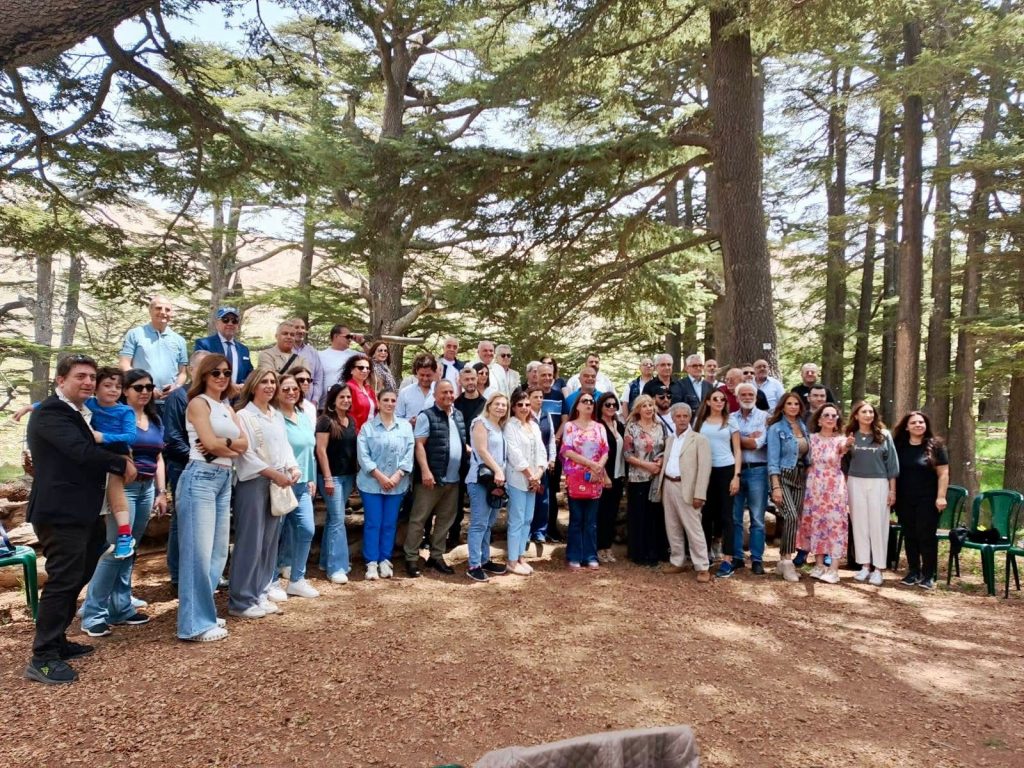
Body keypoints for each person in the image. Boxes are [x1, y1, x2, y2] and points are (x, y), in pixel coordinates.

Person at [22, 354, 138, 684]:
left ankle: (57, 641)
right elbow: (80, 452)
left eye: (91, 377)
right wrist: (120, 463)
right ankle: (43, 658)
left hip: (87, 512)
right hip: (61, 513)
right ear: (61, 380)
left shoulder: (80, 413)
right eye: (80, 376)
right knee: (63, 580)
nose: (88, 382)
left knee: (76, 578)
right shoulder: (51, 413)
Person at [15, 367, 140, 560]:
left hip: (116, 452)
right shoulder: (88, 404)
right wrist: (30, 407)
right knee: (95, 492)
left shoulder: (125, 411)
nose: (113, 390)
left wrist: (103, 437)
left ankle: (124, 534)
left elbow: (131, 436)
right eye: (107, 385)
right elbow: (55, 404)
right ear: (97, 389)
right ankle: (99, 540)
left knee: (115, 493)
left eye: (117, 387)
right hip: (95, 455)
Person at [80, 369, 167, 637]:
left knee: (129, 549)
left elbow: (158, 457)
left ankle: (120, 607)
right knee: (116, 548)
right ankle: (93, 613)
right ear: (125, 390)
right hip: (122, 486)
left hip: (147, 487)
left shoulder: (154, 418)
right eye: (138, 387)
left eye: (149, 387)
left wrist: (161, 491)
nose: (145, 392)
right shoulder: (112, 414)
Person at [176, 354, 246, 642]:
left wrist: (223, 444)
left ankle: (204, 612)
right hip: (200, 478)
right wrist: (226, 447)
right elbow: (207, 443)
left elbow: (244, 444)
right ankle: (193, 625)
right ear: (204, 375)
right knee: (198, 553)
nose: (221, 377)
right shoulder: (198, 403)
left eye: (226, 372)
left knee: (218, 553)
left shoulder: (227, 407)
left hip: (223, 478)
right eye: (215, 372)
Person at [231, 369, 300, 618]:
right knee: (251, 541)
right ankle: (241, 600)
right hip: (254, 482)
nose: (270, 386)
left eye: (273, 382)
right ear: (253, 386)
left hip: (277, 482)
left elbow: (285, 447)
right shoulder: (243, 415)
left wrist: (293, 467)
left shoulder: (276, 415)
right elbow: (245, 454)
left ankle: (259, 592)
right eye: (265, 382)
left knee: (269, 542)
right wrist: (273, 474)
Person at [403, 380, 468, 577]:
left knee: (445, 520)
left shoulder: (458, 415)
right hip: (431, 479)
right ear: (435, 395)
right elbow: (419, 444)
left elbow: (458, 441)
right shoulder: (426, 416)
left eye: (451, 392)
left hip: (453, 479)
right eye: (444, 392)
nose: (448, 395)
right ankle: (411, 558)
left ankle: (437, 556)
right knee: (419, 519)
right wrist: (425, 471)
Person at [357, 389, 414, 580]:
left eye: (393, 400)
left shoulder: (405, 427)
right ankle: (371, 561)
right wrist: (380, 476)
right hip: (371, 484)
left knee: (389, 523)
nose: (389, 403)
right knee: (373, 523)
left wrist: (398, 475)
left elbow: (409, 454)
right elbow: (363, 456)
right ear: (378, 402)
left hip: (397, 484)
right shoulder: (368, 428)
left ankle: (385, 559)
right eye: (386, 400)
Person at [163, 349, 207, 588]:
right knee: (182, 519)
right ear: (191, 370)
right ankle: (178, 576)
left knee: (203, 522)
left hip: (210, 468)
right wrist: (198, 457)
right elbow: (172, 437)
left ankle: (202, 572)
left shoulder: (214, 398)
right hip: (183, 466)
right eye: (203, 367)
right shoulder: (178, 397)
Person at [654, 403, 712, 583]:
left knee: (694, 528)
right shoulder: (670, 439)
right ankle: (677, 561)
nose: (681, 420)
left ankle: (702, 566)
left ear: (690, 418)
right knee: (672, 526)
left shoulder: (699, 439)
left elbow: (704, 468)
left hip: (687, 487)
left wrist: (699, 494)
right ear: (673, 418)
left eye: (685, 416)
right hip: (668, 484)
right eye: (678, 416)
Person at [274, 372, 319, 598]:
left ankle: (297, 579)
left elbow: (310, 450)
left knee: (307, 529)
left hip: (302, 484)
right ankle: (271, 580)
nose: (291, 392)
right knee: (275, 534)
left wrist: (311, 478)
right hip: (280, 484)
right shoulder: (273, 416)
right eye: (286, 389)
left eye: (295, 389)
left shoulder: (303, 415)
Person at [892, 411, 949, 590]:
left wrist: (941, 496)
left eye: (921, 422)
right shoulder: (899, 446)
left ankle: (928, 575)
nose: (918, 425)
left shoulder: (935, 446)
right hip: (905, 499)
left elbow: (943, 473)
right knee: (910, 535)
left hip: (928, 499)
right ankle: (913, 572)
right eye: (914, 422)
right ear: (906, 427)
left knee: (926, 536)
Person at [845, 401, 900, 586]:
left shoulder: (884, 435)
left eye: (871, 412)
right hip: (855, 482)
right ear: (856, 415)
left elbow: (892, 465)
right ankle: (864, 566)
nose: (868, 415)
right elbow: (844, 462)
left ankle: (878, 569)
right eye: (864, 412)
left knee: (878, 525)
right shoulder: (850, 435)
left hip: (879, 483)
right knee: (859, 525)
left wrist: (892, 490)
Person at [798, 402, 849, 585]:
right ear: (819, 420)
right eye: (826, 415)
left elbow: (844, 448)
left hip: (834, 487)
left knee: (835, 525)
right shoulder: (811, 439)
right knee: (816, 524)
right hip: (814, 487)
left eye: (834, 416)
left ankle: (834, 569)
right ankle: (819, 565)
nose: (830, 418)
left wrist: (849, 444)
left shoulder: (840, 440)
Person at [694, 389, 740, 577]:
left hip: (726, 469)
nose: (719, 402)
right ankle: (704, 556)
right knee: (706, 514)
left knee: (726, 516)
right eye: (715, 399)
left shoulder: (731, 421)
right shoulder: (700, 422)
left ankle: (728, 559)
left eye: (722, 399)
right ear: (708, 402)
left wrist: (736, 476)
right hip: (706, 471)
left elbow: (737, 450)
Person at [316, 383, 359, 584]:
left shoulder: (351, 420)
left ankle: (325, 561)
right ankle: (337, 567)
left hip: (347, 476)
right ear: (333, 400)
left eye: (348, 397)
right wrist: (327, 477)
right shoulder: (325, 421)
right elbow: (321, 450)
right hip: (331, 477)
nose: (346, 400)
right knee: (338, 520)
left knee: (333, 518)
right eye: (342, 397)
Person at [560, 392, 608, 570]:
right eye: (584, 401)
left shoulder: (599, 427)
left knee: (591, 520)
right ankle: (574, 555)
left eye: (591, 401)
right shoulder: (570, 426)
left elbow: (605, 451)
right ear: (577, 405)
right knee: (577, 518)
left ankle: (590, 555)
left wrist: (598, 467)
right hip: (576, 477)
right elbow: (567, 450)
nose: (588, 404)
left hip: (595, 477)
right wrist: (591, 464)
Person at [465, 393, 510, 582]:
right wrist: (498, 470)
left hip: (496, 482)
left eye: (504, 405)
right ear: (489, 405)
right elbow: (481, 450)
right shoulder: (480, 422)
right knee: (479, 523)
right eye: (497, 404)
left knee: (489, 523)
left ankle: (484, 559)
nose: (500, 407)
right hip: (480, 480)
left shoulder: (499, 427)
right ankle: (474, 565)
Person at [766, 393, 810, 583]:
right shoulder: (776, 428)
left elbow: (806, 455)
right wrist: (775, 486)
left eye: (796, 404)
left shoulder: (803, 426)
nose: (793, 406)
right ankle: (787, 561)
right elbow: (772, 459)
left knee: (794, 519)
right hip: (782, 475)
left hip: (800, 476)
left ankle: (783, 562)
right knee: (790, 515)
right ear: (782, 407)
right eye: (789, 403)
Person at [503, 388, 547, 575]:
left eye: (527, 404)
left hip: (533, 480)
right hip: (517, 480)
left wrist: (538, 474)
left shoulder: (534, 426)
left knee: (528, 519)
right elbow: (514, 454)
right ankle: (512, 560)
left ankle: (521, 556)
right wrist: (530, 476)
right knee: (517, 519)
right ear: (513, 407)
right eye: (520, 404)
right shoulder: (509, 426)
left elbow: (542, 452)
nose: (524, 408)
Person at [729, 382, 769, 575]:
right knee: (735, 517)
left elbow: (757, 444)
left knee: (757, 518)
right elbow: (728, 442)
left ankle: (757, 559)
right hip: (735, 471)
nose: (747, 397)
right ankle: (737, 557)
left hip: (758, 471)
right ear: (737, 398)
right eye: (743, 394)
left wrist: (737, 438)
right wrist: (747, 438)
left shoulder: (765, 417)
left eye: (750, 394)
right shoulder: (730, 418)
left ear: (755, 397)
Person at [118, 295, 188, 403]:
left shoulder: (180, 340)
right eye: (158, 308)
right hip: (141, 398)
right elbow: (124, 364)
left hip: (170, 401)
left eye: (167, 310)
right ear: (150, 310)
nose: (163, 312)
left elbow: (183, 373)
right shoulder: (135, 334)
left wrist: (176, 387)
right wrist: (145, 386)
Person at [623, 394, 666, 567]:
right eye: (644, 406)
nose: (648, 408)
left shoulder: (660, 426)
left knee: (655, 515)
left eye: (650, 405)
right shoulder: (632, 427)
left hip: (657, 477)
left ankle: (655, 551)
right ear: (638, 409)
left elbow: (665, 448)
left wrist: (660, 461)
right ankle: (638, 553)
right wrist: (647, 466)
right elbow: (627, 454)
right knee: (639, 515)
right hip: (638, 477)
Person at [451, 366, 487, 550]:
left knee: (480, 501)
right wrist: (463, 444)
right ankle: (453, 536)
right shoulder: (455, 404)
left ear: (477, 379)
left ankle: (481, 540)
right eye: (466, 380)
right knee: (456, 502)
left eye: (473, 379)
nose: (470, 382)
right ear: (461, 382)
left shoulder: (486, 404)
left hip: (481, 460)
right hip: (460, 460)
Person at [194, 306, 253, 397]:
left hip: (238, 398)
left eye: (234, 320)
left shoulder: (243, 349)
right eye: (225, 320)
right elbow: (200, 371)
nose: (230, 323)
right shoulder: (204, 344)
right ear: (217, 323)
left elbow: (249, 372)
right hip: (212, 396)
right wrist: (229, 386)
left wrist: (243, 386)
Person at [596, 392, 626, 563]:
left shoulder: (619, 424)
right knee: (602, 513)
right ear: (601, 406)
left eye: (614, 404)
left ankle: (607, 547)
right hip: (604, 476)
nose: (611, 407)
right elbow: (597, 453)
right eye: (607, 404)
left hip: (618, 475)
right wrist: (604, 475)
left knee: (612, 513)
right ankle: (599, 547)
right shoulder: (597, 425)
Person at [537, 362, 565, 542]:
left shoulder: (558, 396)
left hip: (553, 450)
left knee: (552, 491)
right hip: (534, 451)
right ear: (537, 376)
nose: (547, 378)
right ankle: (535, 529)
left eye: (550, 375)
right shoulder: (530, 394)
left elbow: (565, 420)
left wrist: (556, 438)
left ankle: (551, 529)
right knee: (536, 489)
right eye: (543, 375)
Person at [528, 385, 558, 546]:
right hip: (527, 464)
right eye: (535, 397)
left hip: (543, 464)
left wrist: (552, 458)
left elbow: (551, 438)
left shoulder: (546, 415)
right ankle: (527, 531)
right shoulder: (524, 416)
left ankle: (540, 531)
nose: (539, 400)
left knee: (543, 499)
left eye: (541, 397)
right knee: (528, 499)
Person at [319, 324, 364, 401]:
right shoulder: (320, 355)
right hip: (325, 402)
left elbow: (374, 356)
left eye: (351, 337)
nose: (350, 340)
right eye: (348, 337)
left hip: (348, 401)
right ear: (336, 336)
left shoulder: (354, 355)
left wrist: (362, 343)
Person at [287, 317, 325, 405]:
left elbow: (318, 378)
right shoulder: (283, 351)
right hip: (287, 400)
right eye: (297, 327)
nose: (300, 331)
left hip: (308, 402)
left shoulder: (312, 352)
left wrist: (315, 400)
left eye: (303, 328)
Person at [397, 352, 437, 426]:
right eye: (422, 375)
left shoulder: (441, 392)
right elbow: (397, 418)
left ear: (434, 372)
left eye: (428, 375)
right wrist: (409, 422)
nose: (425, 379)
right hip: (411, 432)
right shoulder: (405, 392)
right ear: (416, 372)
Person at [340, 353, 378, 431]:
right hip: (354, 432)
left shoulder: (369, 389)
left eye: (367, 368)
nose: (365, 370)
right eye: (361, 368)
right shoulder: (347, 388)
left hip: (370, 432)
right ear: (351, 370)